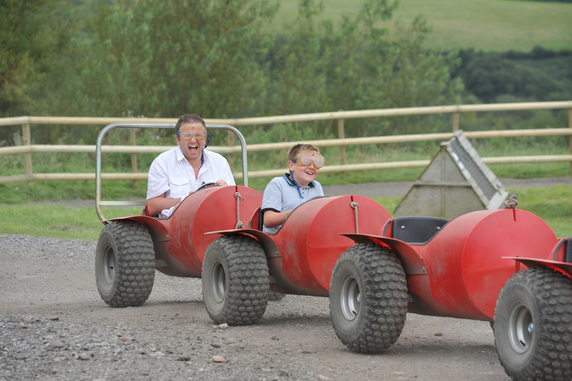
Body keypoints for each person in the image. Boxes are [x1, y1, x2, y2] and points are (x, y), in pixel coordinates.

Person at [146, 113, 235, 217]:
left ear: (205, 138)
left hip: (215, 225)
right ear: (177, 139)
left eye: (198, 135)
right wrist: (187, 200)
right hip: (175, 227)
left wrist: (224, 192)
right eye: (187, 136)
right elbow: (152, 206)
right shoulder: (162, 162)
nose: (193, 140)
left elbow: (235, 201)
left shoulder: (220, 162)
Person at [261, 143, 325, 234]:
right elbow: (268, 220)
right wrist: (295, 213)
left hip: (306, 236)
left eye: (317, 163)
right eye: (305, 161)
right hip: (279, 240)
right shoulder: (277, 184)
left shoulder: (317, 186)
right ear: (291, 165)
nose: (311, 167)